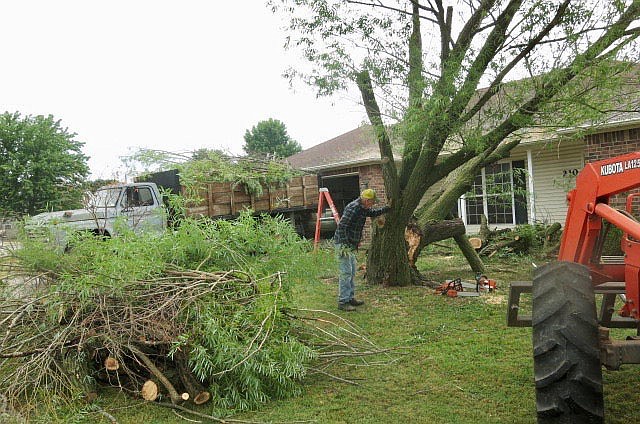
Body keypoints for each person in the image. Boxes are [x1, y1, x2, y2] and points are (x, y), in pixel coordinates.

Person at [333, 188, 390, 311]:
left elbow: (373, 213)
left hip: (351, 245)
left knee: (352, 272)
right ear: (366, 200)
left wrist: (387, 208)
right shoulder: (353, 208)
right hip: (344, 244)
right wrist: (345, 246)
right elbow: (342, 227)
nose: (372, 204)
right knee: (345, 273)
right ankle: (343, 302)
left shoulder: (363, 208)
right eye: (372, 202)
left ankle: (350, 298)